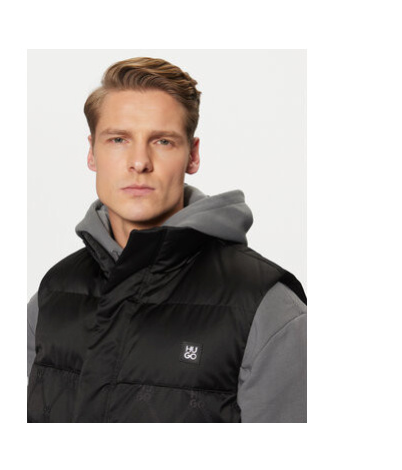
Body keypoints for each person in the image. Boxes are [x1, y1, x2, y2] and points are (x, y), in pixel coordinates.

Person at [27, 57, 307, 423]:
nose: (139, 162)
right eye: (118, 139)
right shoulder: (51, 297)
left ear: (193, 155)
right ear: (92, 153)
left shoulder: (268, 309)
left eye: (162, 141)